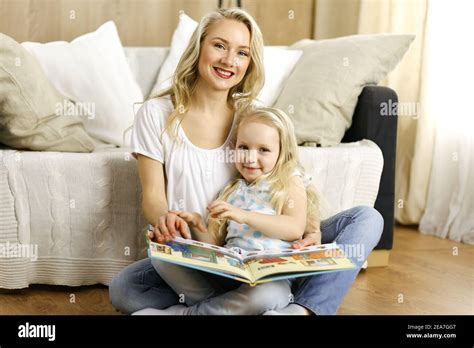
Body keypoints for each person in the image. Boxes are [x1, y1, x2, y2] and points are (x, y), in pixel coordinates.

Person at [109, 7, 384, 315]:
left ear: (249, 62)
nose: (229, 61)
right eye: (219, 46)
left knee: (367, 219)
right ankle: (256, 304)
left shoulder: (251, 115)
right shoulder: (156, 113)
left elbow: (294, 176)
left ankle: (304, 309)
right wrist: (166, 220)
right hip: (205, 251)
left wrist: (310, 227)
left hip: (271, 249)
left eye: (242, 53)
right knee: (125, 289)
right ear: (199, 46)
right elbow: (153, 198)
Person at [133, 106, 320, 315]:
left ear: (282, 152)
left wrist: (245, 216)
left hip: (272, 280)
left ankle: (186, 313)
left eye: (263, 150)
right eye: (243, 147)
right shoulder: (232, 191)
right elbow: (214, 243)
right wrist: (196, 224)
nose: (250, 158)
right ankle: (227, 309)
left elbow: (294, 228)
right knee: (162, 257)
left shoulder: (288, 181)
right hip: (231, 276)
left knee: (263, 296)